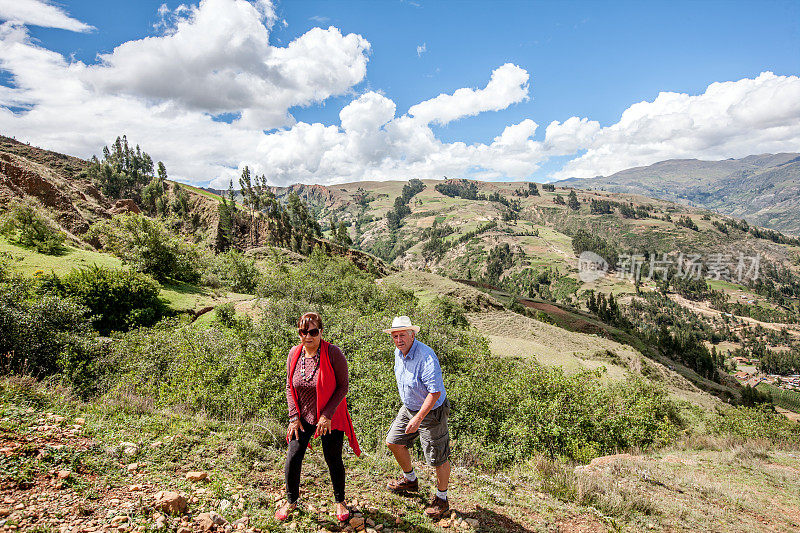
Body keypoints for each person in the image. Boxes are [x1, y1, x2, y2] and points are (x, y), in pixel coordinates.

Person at [276, 312, 361, 522]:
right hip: (302, 415)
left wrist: (326, 415)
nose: (308, 336)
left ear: (321, 332)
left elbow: (343, 387)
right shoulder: (294, 354)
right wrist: (293, 416)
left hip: (329, 415)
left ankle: (340, 501)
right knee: (293, 456)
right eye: (303, 332)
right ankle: (291, 499)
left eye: (313, 332)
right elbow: (289, 386)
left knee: (333, 458)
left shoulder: (334, 353)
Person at [383, 316, 452, 518]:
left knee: (437, 457)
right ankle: (410, 481)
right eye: (395, 336)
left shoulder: (426, 356)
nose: (398, 340)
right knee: (393, 442)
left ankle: (442, 499)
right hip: (410, 407)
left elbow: (435, 392)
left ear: (413, 334)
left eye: (402, 335)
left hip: (431, 411)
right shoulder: (398, 352)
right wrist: (412, 414)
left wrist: (418, 418)